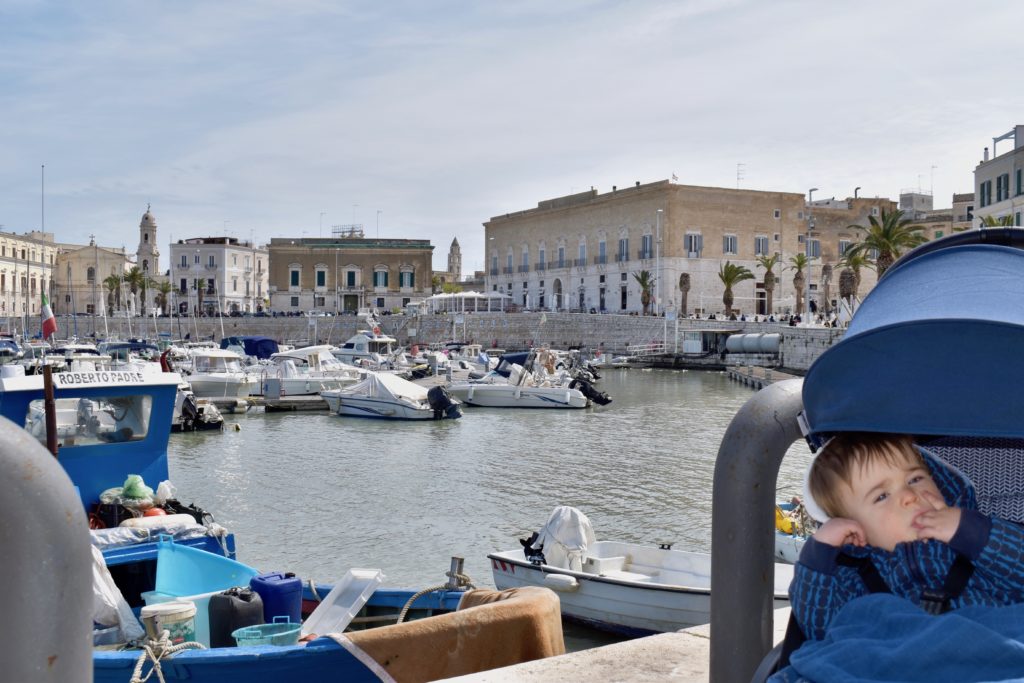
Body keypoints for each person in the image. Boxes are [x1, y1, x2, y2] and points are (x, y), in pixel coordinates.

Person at [790, 433, 1024, 642]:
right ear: (854, 528)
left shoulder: (980, 549)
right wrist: (819, 554)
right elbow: (819, 629)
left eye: (915, 479)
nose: (909, 496)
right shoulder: (855, 579)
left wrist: (973, 532)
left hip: (989, 654)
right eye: (882, 496)